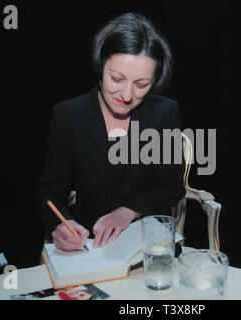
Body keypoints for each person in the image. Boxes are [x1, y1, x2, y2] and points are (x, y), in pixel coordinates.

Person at [37, 12, 185, 252]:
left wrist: (129, 210)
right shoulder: (69, 115)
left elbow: (171, 186)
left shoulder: (165, 112)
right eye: (117, 79)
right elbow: (50, 191)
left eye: (141, 84)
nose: (127, 96)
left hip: (150, 245)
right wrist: (63, 223)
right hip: (89, 244)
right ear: (100, 64)